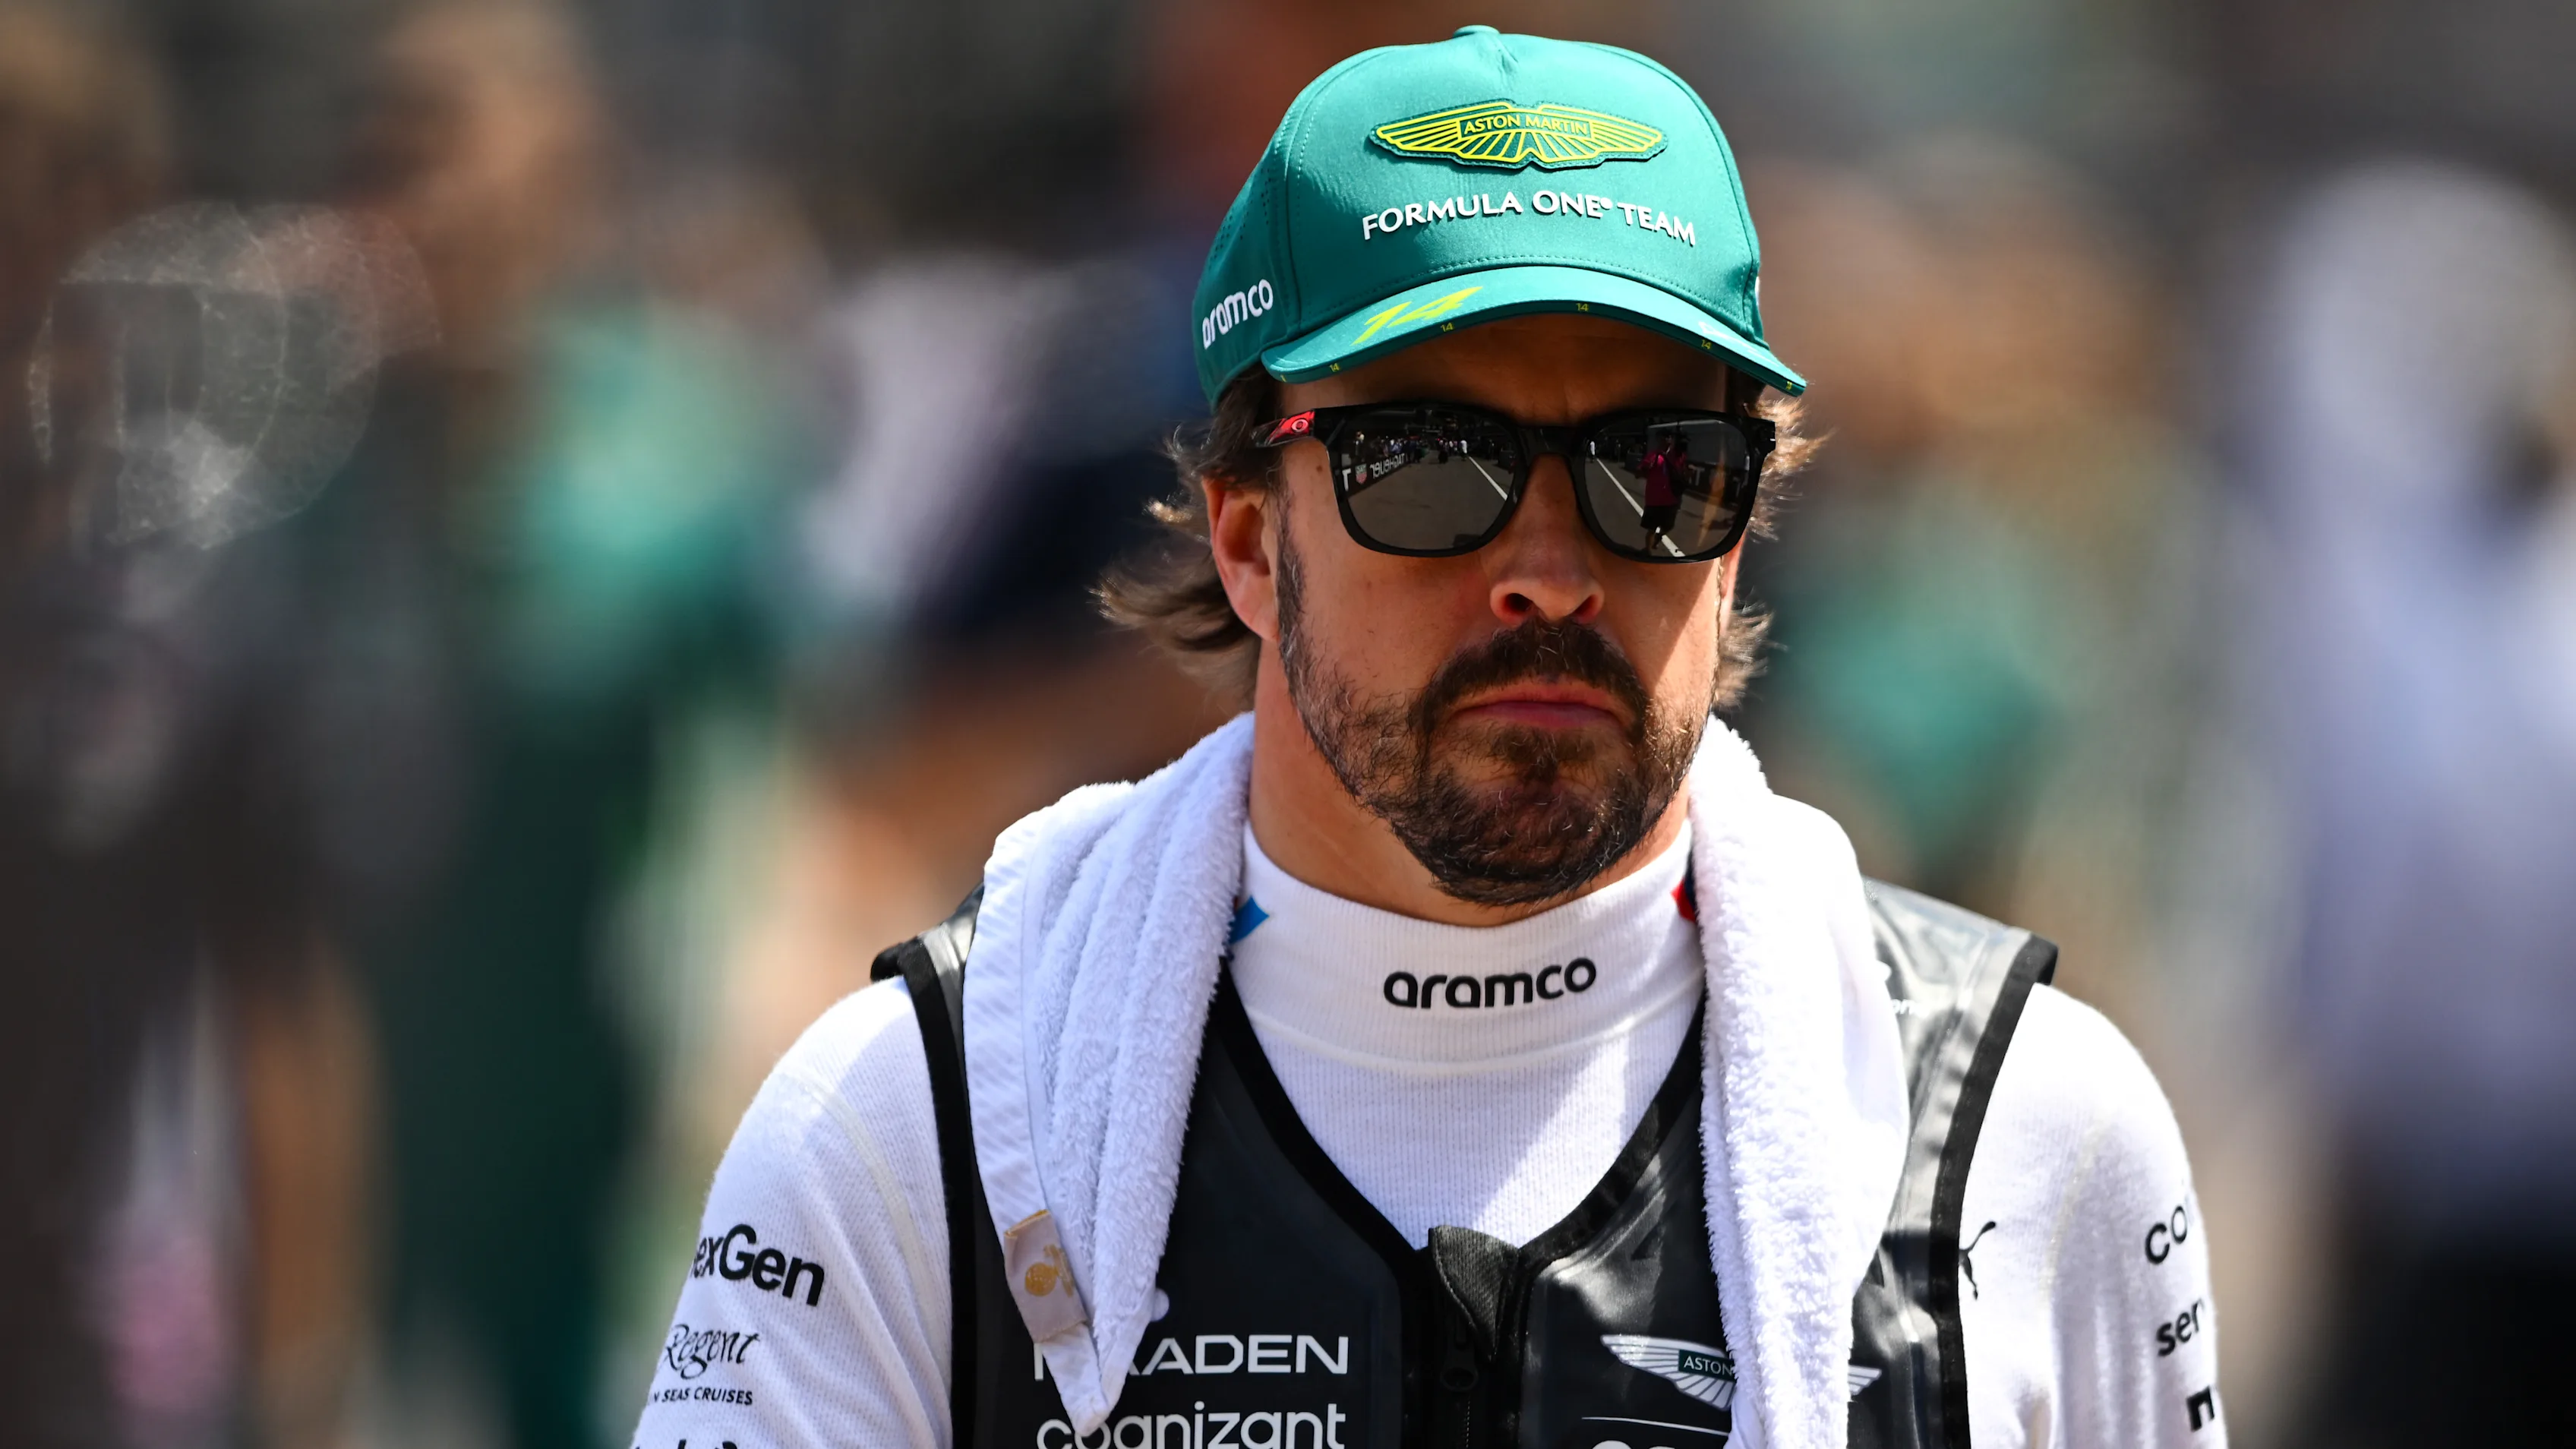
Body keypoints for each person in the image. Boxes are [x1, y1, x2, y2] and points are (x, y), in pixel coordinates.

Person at [633, 27, 2221, 1449]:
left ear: (1737, 536)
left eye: (1655, 470)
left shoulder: (2018, 1134)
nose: (1546, 574)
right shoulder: (924, 1124)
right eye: (1428, 462)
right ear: (1246, 539)